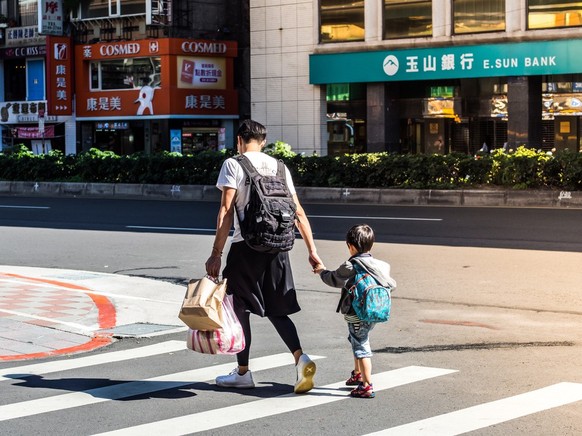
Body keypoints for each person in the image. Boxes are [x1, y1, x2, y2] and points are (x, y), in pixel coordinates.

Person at [205, 119, 323, 394]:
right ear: (264, 142)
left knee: (239, 307)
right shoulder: (281, 167)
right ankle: (300, 358)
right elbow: (299, 213)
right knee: (277, 309)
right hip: (279, 247)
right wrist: (312, 252)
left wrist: (216, 254)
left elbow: (225, 211)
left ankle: (243, 372)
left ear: (239, 140)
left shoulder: (233, 164)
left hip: (246, 247)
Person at [313, 224, 396, 398]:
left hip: (356, 312)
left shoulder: (351, 266)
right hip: (375, 312)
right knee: (356, 339)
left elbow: (333, 279)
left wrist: (321, 271)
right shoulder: (382, 265)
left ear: (350, 246)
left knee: (361, 345)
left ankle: (366, 385)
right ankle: (357, 373)